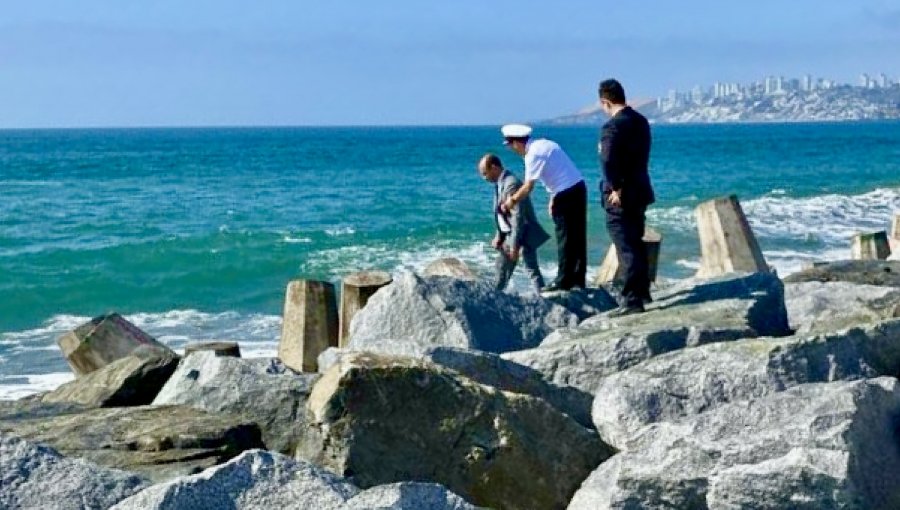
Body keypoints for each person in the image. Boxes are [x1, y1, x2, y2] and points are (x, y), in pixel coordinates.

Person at [500, 124, 587, 291]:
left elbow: (527, 187)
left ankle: (563, 280)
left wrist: (511, 201)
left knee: (565, 237)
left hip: (566, 194)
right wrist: (553, 197)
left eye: (511, 146)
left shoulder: (532, 155)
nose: (513, 150)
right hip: (577, 188)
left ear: (516, 143)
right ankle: (578, 278)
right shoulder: (545, 143)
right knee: (577, 235)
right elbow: (558, 172)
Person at [598, 78, 655, 316]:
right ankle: (642, 290)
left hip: (621, 194)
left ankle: (632, 299)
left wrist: (615, 187)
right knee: (637, 241)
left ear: (605, 101)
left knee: (626, 245)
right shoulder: (641, 122)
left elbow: (608, 159)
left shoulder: (612, 127)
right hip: (640, 189)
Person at [478, 153, 549, 292]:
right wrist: (499, 236)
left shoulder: (511, 183)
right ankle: (500, 294)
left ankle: (542, 295)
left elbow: (518, 217)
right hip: (511, 234)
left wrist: (514, 246)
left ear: (494, 167)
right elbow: (501, 213)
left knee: (527, 268)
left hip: (522, 232)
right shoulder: (501, 183)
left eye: (485, 173)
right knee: (508, 268)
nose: (484, 178)